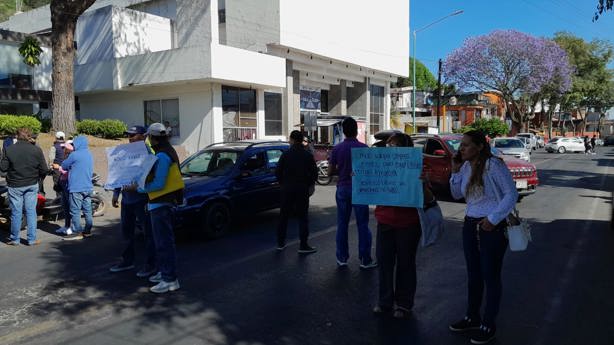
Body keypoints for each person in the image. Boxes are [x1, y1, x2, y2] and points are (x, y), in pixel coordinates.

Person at [448, 130, 518, 344]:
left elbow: (511, 194)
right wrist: (455, 171)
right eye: (461, 145)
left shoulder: (493, 165)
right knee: (474, 274)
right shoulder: (467, 166)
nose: (461, 149)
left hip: (491, 228)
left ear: (479, 146)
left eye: (467, 145)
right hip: (470, 224)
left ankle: (489, 324)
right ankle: (472, 316)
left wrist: (493, 219)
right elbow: (456, 194)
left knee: (490, 276)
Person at [372, 133, 434, 319]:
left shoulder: (418, 167)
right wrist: (360, 176)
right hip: (384, 221)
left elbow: (429, 199)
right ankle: (385, 302)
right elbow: (369, 187)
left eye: (395, 146)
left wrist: (423, 183)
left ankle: (404, 304)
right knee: (384, 263)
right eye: (389, 146)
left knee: (406, 264)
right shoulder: (380, 165)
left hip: (408, 224)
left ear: (405, 149)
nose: (391, 149)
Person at [133, 123, 184, 293]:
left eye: (148, 137)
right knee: (162, 241)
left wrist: (139, 188)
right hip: (163, 203)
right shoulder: (166, 151)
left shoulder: (163, 156)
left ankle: (170, 279)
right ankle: (165, 273)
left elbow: (159, 183)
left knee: (163, 243)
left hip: (161, 203)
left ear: (152, 138)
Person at [109, 126, 157, 278]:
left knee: (148, 232)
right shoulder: (124, 153)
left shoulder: (148, 153)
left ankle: (151, 264)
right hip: (127, 200)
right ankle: (127, 260)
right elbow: (118, 173)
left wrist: (137, 187)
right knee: (126, 232)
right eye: (128, 135)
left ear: (143, 136)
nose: (130, 137)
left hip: (142, 199)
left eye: (133, 135)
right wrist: (116, 193)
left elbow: (151, 176)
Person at [328, 117, 377, 269]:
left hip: (342, 189)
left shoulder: (336, 149)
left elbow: (329, 172)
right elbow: (371, 171)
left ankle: (342, 258)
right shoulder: (364, 148)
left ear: (343, 131)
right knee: (363, 225)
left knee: (342, 224)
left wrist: (342, 170)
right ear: (356, 130)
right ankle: (365, 259)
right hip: (360, 189)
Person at [0, 128, 48, 246]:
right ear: (29, 136)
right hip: (31, 183)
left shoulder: (9, 150)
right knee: (31, 212)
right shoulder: (36, 150)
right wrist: (38, 178)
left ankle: (15, 239)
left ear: (16, 136)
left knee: (16, 212)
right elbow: (44, 169)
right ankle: (31, 239)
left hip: (15, 184)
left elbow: (3, 169)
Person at [275, 130, 318, 254]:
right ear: (301, 140)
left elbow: (277, 172)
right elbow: (314, 174)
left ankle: (280, 243)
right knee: (303, 217)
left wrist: (283, 183)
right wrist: (308, 185)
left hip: (287, 189)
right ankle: (303, 245)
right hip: (302, 189)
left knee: (283, 216)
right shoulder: (307, 155)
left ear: (292, 140)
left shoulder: (285, 154)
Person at [60, 136, 94, 241]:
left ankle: (77, 232)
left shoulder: (74, 155)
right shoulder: (89, 154)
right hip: (88, 187)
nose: (73, 146)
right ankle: (87, 230)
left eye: (74, 144)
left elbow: (64, 165)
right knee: (87, 210)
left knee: (75, 210)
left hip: (76, 187)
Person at [54, 140, 74, 235]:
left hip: (68, 184)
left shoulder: (72, 157)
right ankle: (66, 226)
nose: (63, 149)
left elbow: (69, 171)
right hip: (63, 183)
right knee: (65, 206)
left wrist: (59, 168)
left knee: (71, 206)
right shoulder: (65, 157)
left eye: (64, 148)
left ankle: (71, 227)